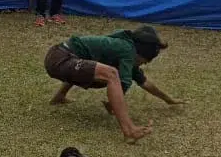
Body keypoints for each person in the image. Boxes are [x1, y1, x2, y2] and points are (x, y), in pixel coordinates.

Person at [44, 25, 182, 143]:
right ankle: (129, 131)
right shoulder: (127, 49)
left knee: (97, 69)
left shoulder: (124, 52)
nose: (145, 63)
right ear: (139, 52)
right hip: (61, 58)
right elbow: (124, 82)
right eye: (146, 60)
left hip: (61, 58)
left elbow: (145, 82)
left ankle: (59, 96)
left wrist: (168, 99)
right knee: (111, 74)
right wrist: (113, 104)